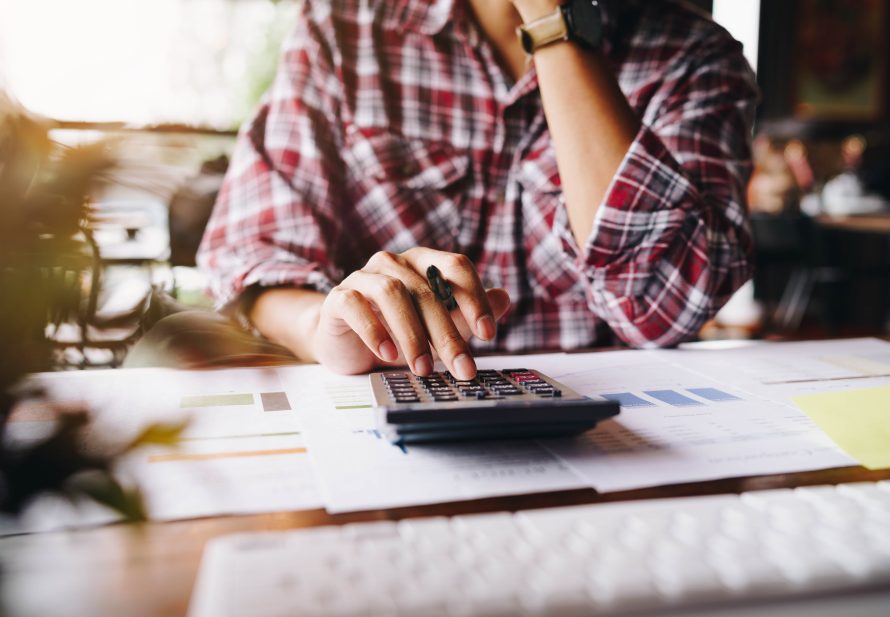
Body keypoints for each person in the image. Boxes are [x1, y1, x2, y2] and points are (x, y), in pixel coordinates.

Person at [197, 0, 758, 381]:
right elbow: (256, 256)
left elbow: (664, 309)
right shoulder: (347, 25)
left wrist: (552, 19)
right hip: (378, 415)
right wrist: (326, 327)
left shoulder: (695, 57)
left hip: (609, 429)